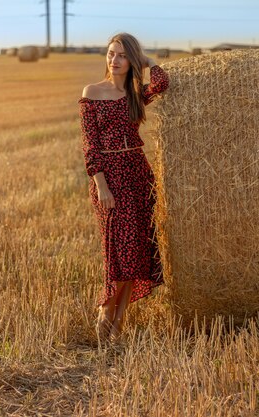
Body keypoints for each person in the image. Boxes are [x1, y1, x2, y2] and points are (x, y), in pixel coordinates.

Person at [78, 33, 169, 343]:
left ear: (131, 61)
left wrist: (148, 61)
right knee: (117, 251)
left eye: (121, 55)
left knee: (137, 251)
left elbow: (162, 83)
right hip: (109, 178)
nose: (113, 60)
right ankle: (106, 310)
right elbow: (90, 146)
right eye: (110, 53)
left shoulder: (134, 95)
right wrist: (100, 185)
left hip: (137, 174)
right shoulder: (91, 93)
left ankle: (119, 320)